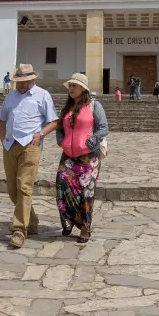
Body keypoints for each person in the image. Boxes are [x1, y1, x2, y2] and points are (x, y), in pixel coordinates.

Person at [0, 64, 58, 249]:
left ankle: (19, 230)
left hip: (30, 146)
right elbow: (2, 119)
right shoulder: (11, 96)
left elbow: (53, 121)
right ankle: (31, 221)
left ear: (32, 79)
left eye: (23, 82)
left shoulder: (43, 95)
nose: (20, 85)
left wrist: (40, 134)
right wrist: (3, 140)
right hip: (10, 145)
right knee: (12, 189)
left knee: (24, 186)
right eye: (18, 82)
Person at [55, 73, 108, 244]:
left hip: (88, 157)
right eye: (70, 85)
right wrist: (61, 141)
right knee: (63, 185)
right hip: (68, 155)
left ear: (83, 88)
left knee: (86, 192)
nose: (71, 88)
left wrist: (91, 141)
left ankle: (85, 227)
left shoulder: (94, 105)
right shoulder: (68, 107)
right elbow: (59, 127)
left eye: (74, 86)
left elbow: (103, 128)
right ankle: (69, 220)